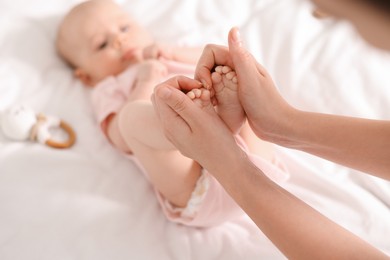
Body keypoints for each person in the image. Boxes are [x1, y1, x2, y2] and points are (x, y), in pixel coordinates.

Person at [152, 0, 390, 258]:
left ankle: (229, 124)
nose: (321, 15)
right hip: (208, 175)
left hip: (215, 180)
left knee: (136, 119)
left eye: (339, 17)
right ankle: (236, 123)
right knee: (134, 119)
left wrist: (230, 165)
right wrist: (282, 121)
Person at [55, 0, 288, 227]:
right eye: (102, 45)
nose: (119, 40)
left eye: (124, 28)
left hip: (252, 160)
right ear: (86, 76)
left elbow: (217, 58)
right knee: (129, 119)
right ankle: (193, 127)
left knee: (231, 68)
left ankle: (221, 121)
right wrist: (145, 82)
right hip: (196, 184)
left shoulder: (169, 52)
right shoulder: (108, 88)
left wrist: (173, 53)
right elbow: (119, 138)